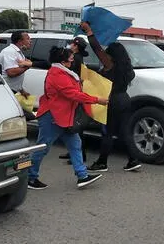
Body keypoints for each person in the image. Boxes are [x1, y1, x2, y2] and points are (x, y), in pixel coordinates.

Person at [28, 47, 108, 190]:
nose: (73, 62)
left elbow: (73, 92)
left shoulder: (62, 73)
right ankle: (30, 177)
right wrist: (96, 99)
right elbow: (72, 94)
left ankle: (82, 176)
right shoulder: (57, 75)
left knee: (75, 144)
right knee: (43, 148)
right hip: (53, 116)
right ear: (63, 61)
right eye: (70, 60)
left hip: (63, 116)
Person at [80, 22, 142, 173]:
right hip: (125, 100)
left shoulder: (110, 65)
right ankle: (133, 160)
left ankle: (102, 163)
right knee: (124, 131)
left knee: (108, 133)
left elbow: (96, 49)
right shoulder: (127, 68)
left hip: (112, 101)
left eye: (108, 53)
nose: (105, 55)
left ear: (112, 56)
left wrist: (89, 31)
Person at [60, 36, 91, 163]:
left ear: (76, 46)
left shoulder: (75, 59)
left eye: (72, 44)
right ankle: (73, 152)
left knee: (76, 127)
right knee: (72, 126)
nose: (70, 45)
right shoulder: (79, 58)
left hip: (73, 94)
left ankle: (80, 155)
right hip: (76, 92)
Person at [0, 31, 33, 96]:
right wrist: (28, 66)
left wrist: (22, 91)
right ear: (20, 41)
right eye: (28, 39)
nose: (30, 41)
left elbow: (15, 77)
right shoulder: (10, 51)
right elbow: (11, 72)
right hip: (6, 91)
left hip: (11, 90)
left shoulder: (18, 52)